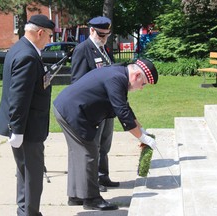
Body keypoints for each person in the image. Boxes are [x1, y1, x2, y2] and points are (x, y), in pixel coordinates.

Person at [53, 59, 158, 211]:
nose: (141, 88)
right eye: (144, 84)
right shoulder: (117, 78)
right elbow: (122, 112)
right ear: (136, 76)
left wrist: (142, 130)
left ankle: (76, 195)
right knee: (89, 154)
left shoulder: (119, 75)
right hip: (73, 111)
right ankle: (91, 198)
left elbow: (125, 107)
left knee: (78, 154)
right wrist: (142, 138)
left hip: (68, 108)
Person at [0, 14, 55, 216]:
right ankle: (29, 213)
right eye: (49, 36)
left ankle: (24, 211)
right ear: (40, 33)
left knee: (25, 173)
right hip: (28, 128)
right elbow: (19, 97)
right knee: (32, 176)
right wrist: (18, 130)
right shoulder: (28, 56)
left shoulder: (20, 48)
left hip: (25, 126)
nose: (50, 40)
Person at [70, 16, 117, 192]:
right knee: (94, 146)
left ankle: (103, 176)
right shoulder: (83, 49)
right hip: (93, 108)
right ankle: (95, 180)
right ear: (91, 31)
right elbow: (77, 81)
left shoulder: (104, 49)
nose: (104, 38)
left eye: (106, 35)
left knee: (105, 144)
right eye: (100, 34)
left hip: (107, 107)